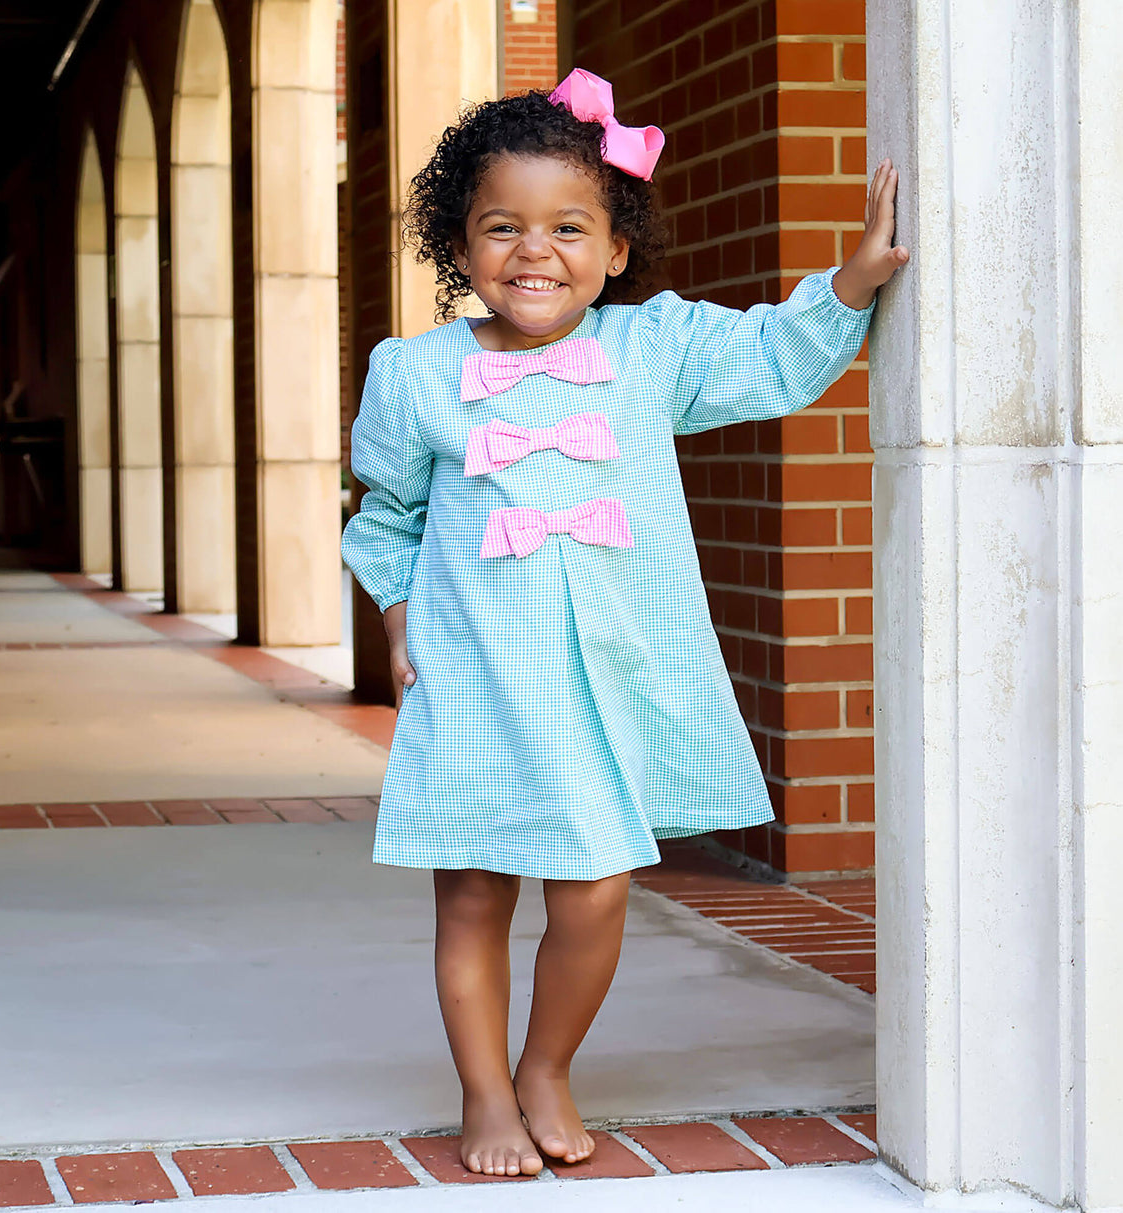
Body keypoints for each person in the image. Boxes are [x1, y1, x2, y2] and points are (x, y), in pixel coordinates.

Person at [341, 68, 907, 1179]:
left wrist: (849, 281)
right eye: (500, 227)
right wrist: (401, 619)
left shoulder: (652, 351)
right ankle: (484, 1092)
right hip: (474, 674)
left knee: (594, 886)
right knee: (470, 889)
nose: (532, 252)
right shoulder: (414, 375)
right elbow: (386, 514)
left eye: (566, 227)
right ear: (458, 245)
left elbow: (767, 357)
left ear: (613, 248)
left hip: (601, 673)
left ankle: (546, 1063)